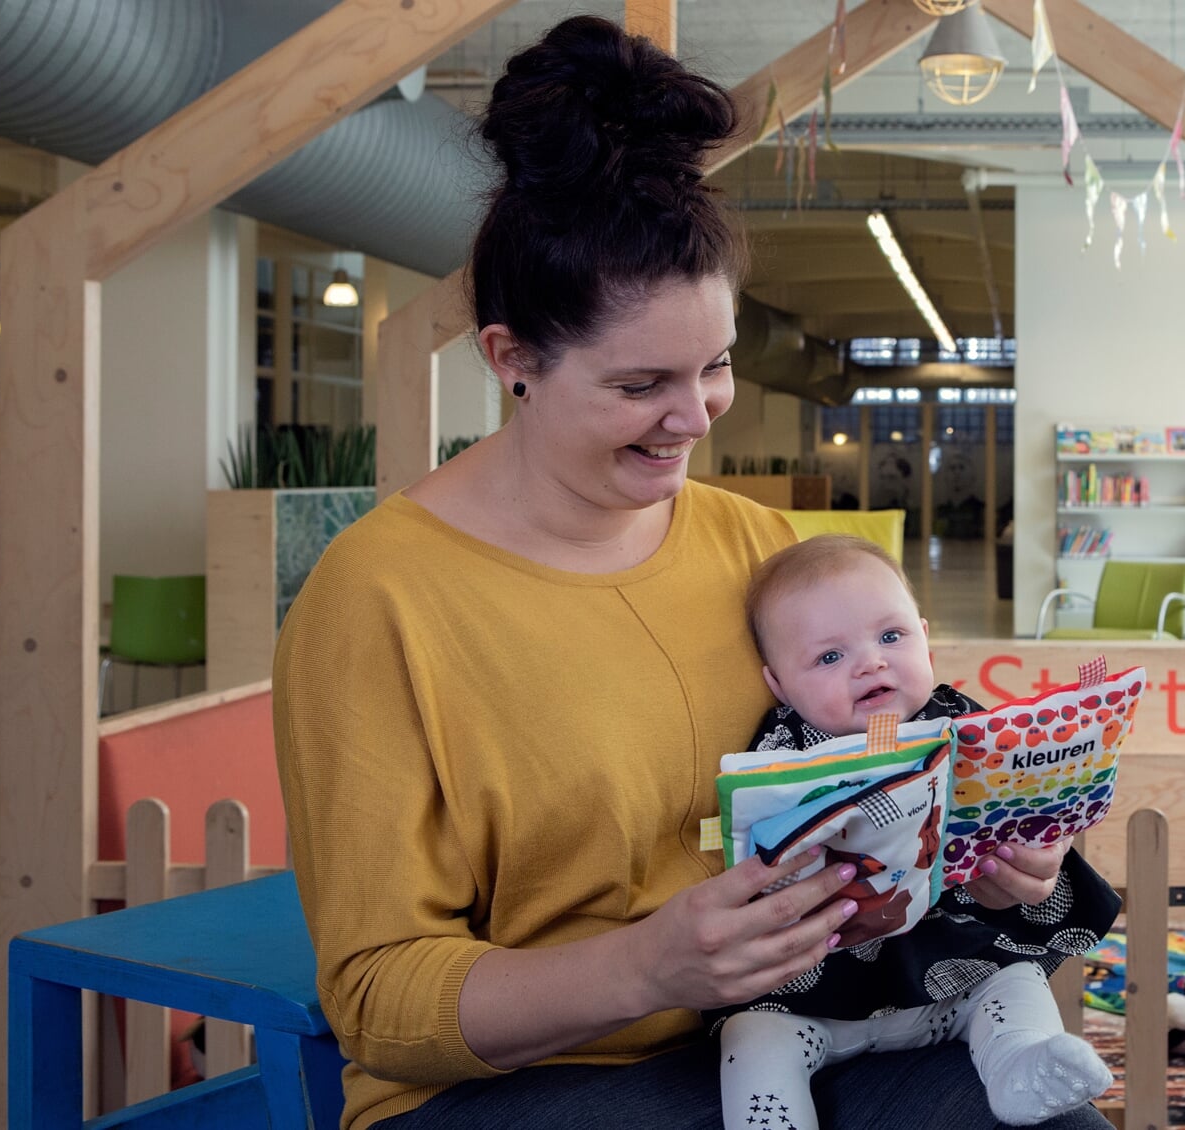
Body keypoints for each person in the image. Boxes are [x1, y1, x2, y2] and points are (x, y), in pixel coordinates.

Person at [271, 15, 1114, 1130]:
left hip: (805, 1031)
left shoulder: (764, 557)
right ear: (510, 356)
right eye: (640, 385)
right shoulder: (379, 597)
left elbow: (907, 765)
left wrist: (1014, 863)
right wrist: (649, 967)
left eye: (715, 367)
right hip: (529, 1080)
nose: (693, 418)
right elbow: (378, 998)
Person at [717, 536, 1120, 1128]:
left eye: (891, 637)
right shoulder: (780, 756)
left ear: (925, 636)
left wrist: (1036, 838)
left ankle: (1017, 1063)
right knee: (749, 1036)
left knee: (1017, 981)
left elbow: (1019, 809)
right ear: (779, 685)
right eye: (829, 657)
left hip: (950, 988)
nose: (871, 663)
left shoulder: (963, 724)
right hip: (810, 1006)